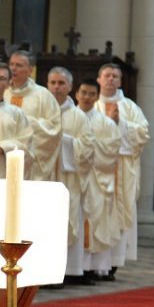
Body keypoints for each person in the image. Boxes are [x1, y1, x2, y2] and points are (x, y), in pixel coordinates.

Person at [95, 63, 149, 266]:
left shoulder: (130, 107)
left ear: (120, 81)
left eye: (115, 77)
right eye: (107, 75)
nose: (110, 80)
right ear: (99, 79)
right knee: (98, 212)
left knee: (120, 212)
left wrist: (121, 124)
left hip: (123, 169)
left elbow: (143, 133)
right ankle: (97, 264)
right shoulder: (91, 105)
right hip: (98, 170)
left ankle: (115, 262)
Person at [46, 67, 94, 286]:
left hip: (68, 179)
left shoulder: (78, 117)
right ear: (47, 84)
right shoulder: (42, 111)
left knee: (68, 220)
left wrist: (63, 141)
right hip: (43, 177)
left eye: (61, 83)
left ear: (70, 87)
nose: (57, 87)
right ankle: (44, 271)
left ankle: (68, 271)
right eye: (53, 82)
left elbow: (87, 148)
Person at [75, 79, 123, 279]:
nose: (86, 97)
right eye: (83, 93)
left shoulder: (106, 123)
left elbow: (112, 149)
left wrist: (87, 148)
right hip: (73, 177)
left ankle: (92, 268)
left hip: (96, 178)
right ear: (76, 94)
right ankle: (74, 267)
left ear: (96, 97)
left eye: (91, 94)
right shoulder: (68, 118)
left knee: (95, 219)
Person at [7, 50, 62, 181]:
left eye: (19, 65)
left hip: (32, 164)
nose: (13, 68)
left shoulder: (44, 95)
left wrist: (28, 123)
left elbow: (55, 129)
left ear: (30, 70)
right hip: (3, 158)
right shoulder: (2, 94)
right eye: (11, 64)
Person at [0, 63, 34, 178]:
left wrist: (3, 148)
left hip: (5, 172)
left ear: (8, 84)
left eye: (2, 79)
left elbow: (26, 144)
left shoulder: (17, 113)